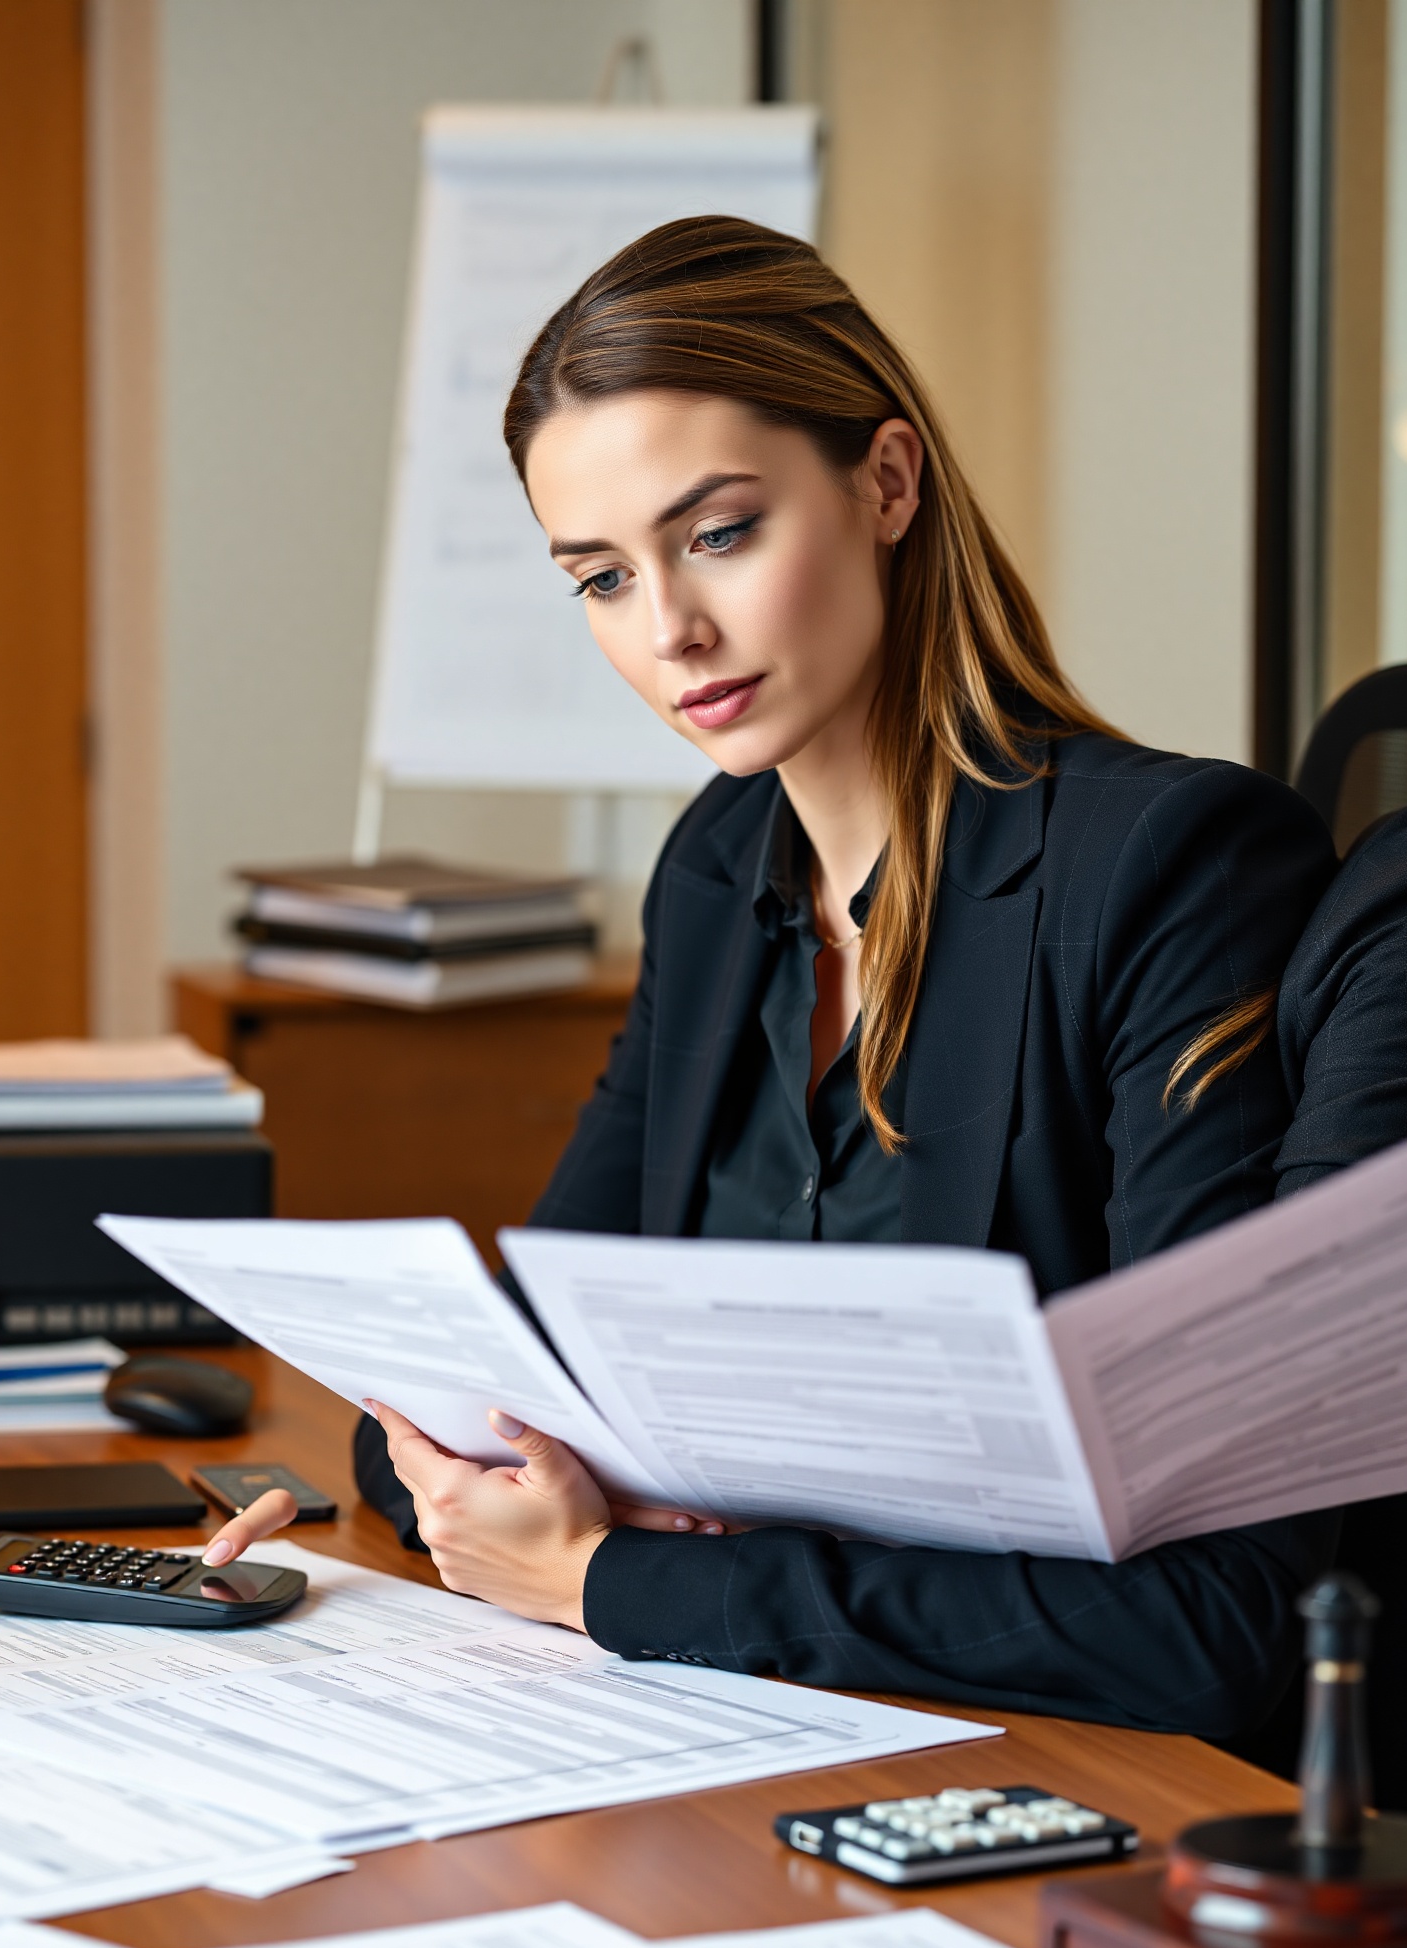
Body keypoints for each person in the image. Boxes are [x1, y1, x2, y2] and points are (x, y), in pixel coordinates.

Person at [210, 215, 1342, 1743]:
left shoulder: (1170, 869)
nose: (671, 629)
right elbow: (515, 1375)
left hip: (1077, 1777)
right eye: (601, 577)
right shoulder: (721, 871)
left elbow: (1221, 1618)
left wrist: (617, 1579)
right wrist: (450, 1477)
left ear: (887, 480)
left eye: (720, 534)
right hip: (747, 1734)